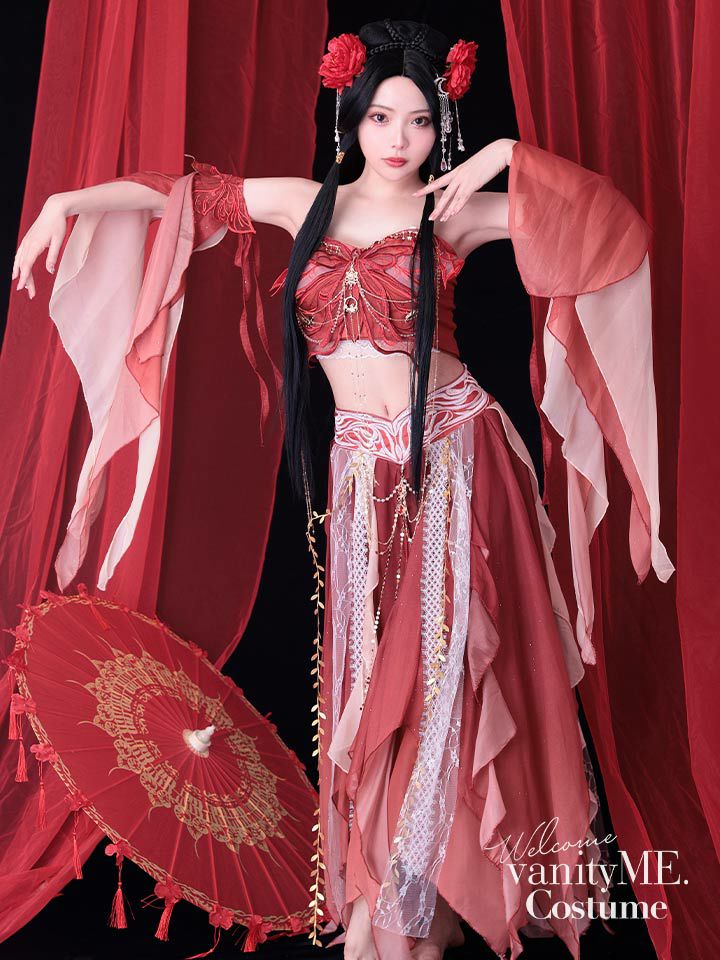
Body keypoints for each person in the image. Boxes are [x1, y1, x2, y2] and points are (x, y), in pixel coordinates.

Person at [11, 18, 674, 960]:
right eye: (381, 118)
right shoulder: (306, 205)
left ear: (442, 128)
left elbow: (615, 226)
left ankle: (398, 915)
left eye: (420, 121)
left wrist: (503, 156)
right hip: (361, 472)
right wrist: (64, 200)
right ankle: (400, 904)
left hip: (456, 456)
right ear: (351, 120)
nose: (399, 139)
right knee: (375, 687)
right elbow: (179, 198)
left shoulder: (454, 213)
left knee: (440, 680)